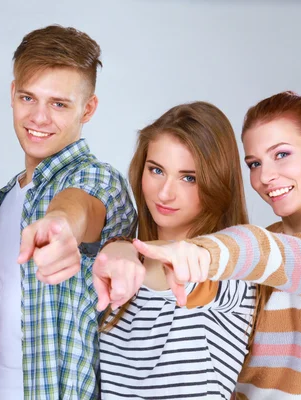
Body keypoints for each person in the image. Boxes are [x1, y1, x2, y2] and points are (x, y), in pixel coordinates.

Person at [107, 91, 301, 399]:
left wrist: (197, 254)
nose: (265, 175)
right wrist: (121, 248)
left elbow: (272, 253)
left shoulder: (252, 255)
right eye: (254, 163)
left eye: (281, 154)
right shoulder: (255, 256)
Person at [0, 25, 135, 399]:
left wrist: (61, 224)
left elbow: (81, 204)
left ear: (88, 108)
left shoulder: (96, 177)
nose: (39, 118)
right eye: (29, 98)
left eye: (59, 104)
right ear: (13, 94)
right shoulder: (3, 198)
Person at [96, 102, 256, 399]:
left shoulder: (230, 266)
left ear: (217, 182)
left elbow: (228, 263)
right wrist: (122, 248)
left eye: (188, 178)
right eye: (156, 170)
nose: (165, 192)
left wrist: (123, 248)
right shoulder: (120, 271)